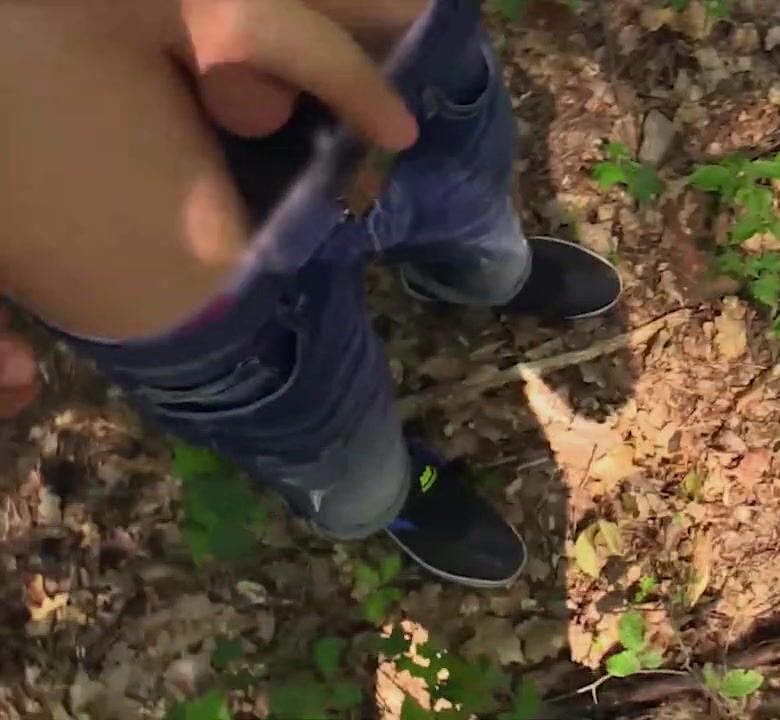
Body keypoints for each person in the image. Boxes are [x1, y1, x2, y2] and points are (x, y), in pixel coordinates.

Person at [0, 0, 621, 588]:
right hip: (159, 263)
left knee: (474, 217)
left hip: (397, 63)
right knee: (347, 470)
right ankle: (398, 495)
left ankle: (480, 276)